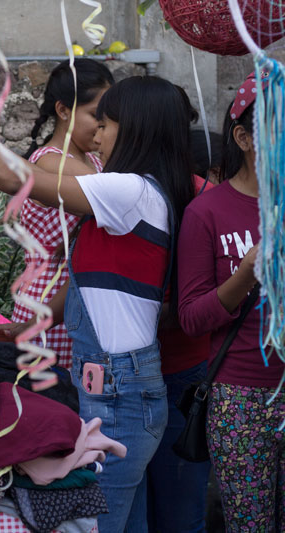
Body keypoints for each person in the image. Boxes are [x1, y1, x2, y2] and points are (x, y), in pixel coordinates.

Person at [0, 75, 194, 532]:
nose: (98, 135)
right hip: (113, 382)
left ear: (137, 129)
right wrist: (35, 321)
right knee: (121, 516)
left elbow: (19, 180)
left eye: (106, 124)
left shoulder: (130, 191)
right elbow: (89, 278)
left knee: (98, 520)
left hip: (120, 387)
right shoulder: (128, 191)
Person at [0, 58, 113, 369]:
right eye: (95, 117)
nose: (102, 128)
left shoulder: (90, 160)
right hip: (47, 303)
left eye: (107, 120)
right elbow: (20, 173)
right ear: (63, 111)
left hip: (65, 301)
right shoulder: (53, 161)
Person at [178, 72, 285, 532]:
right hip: (241, 396)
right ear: (243, 136)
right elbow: (191, 318)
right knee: (250, 525)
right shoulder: (207, 211)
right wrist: (246, 272)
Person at [146, 121, 219, 532]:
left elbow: (207, 299)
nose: (102, 135)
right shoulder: (113, 190)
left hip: (182, 372)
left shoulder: (203, 200)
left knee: (178, 511)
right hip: (129, 378)